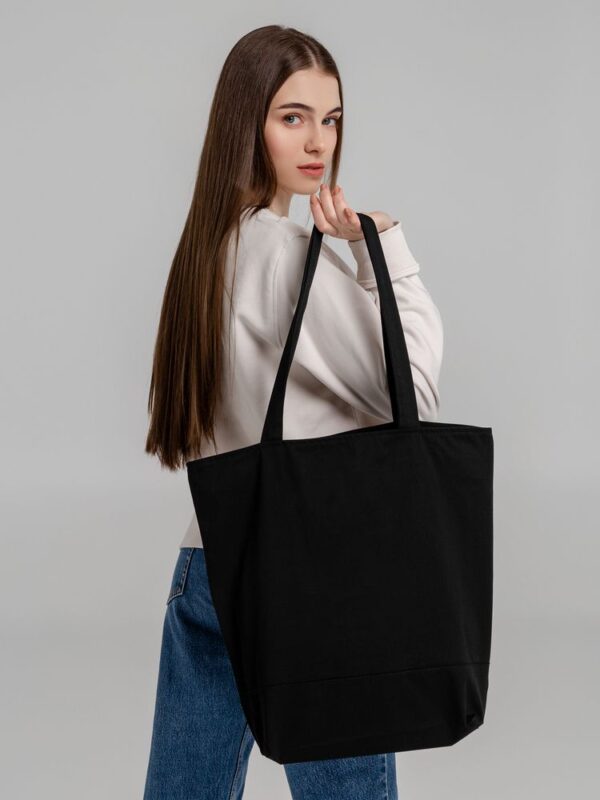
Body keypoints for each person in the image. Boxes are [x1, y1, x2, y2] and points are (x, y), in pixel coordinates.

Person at [143, 24, 443, 800]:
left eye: (331, 118)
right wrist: (383, 251)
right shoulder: (284, 255)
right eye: (292, 117)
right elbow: (415, 388)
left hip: (207, 562)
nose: (319, 142)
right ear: (247, 122)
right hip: (309, 571)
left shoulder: (208, 248)